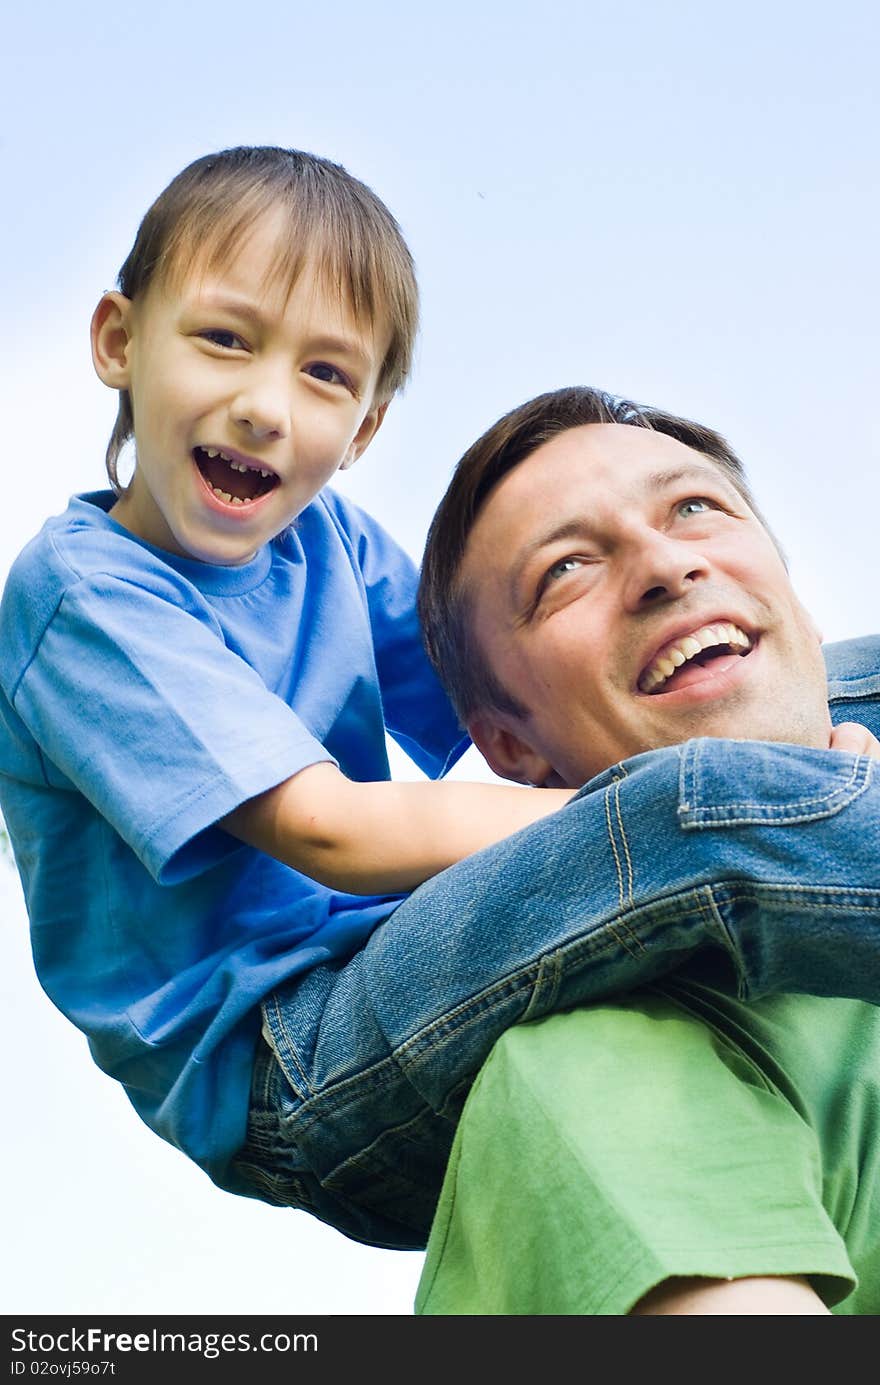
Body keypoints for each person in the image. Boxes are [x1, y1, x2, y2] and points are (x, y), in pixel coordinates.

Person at [0, 148, 877, 1256]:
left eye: (324, 374)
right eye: (225, 339)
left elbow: (528, 698)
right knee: (683, 806)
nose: (266, 405)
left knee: (805, 676)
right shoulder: (85, 594)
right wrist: (678, 795)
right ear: (120, 342)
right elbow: (326, 827)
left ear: (363, 429)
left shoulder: (329, 540)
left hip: (412, 952)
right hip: (294, 1060)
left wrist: (762, 728)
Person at [411, 385, 880, 1314]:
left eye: (694, 508)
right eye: (567, 568)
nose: (665, 564)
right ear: (512, 746)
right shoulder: (585, 1070)